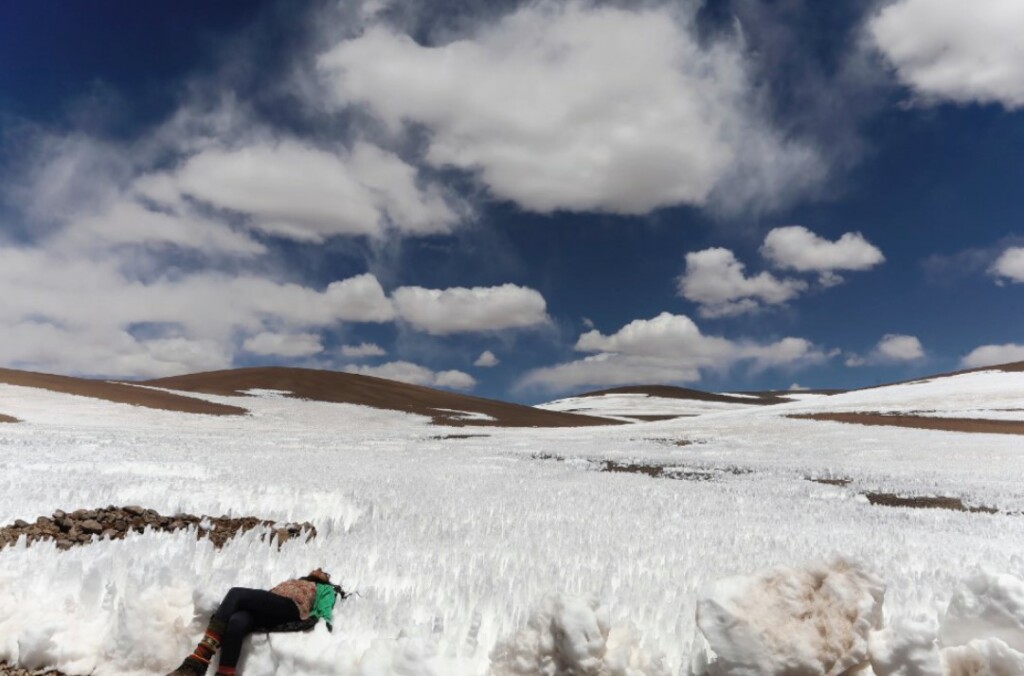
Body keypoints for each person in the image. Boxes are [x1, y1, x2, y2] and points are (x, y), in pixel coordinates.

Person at [168, 568, 343, 676]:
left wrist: (324, 623)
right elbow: (267, 599)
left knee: (236, 593)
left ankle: (198, 661)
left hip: (292, 608)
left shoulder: (324, 588)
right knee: (237, 620)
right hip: (274, 607)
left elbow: (325, 607)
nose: (319, 570)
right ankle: (224, 673)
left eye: (323, 573)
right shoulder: (294, 581)